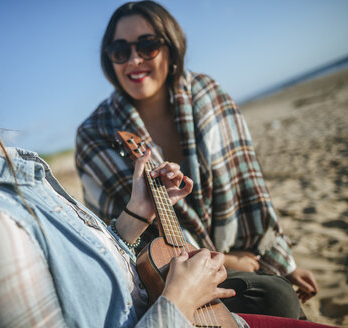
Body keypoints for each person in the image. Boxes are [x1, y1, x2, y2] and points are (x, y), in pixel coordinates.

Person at [0, 19, 333, 328]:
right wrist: (179, 301)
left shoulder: (17, 175)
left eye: (147, 44)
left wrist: (133, 215)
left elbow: (88, 282)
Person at [75, 0, 318, 319]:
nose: (134, 59)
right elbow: (117, 242)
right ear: (109, 58)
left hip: (249, 258)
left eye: (147, 46)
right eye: (120, 50)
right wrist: (228, 261)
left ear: (172, 47)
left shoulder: (209, 95)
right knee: (275, 298)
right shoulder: (94, 135)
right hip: (169, 283)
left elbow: (251, 191)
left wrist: (285, 263)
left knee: (280, 296)